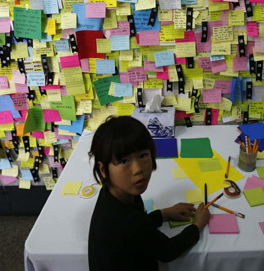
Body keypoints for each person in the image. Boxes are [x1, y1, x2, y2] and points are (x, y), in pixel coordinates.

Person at [88, 116, 210, 271]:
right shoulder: (127, 221)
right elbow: (168, 250)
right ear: (103, 170)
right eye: (124, 161)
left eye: (143, 155)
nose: (138, 168)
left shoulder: (113, 194)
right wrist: (198, 224)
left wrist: (164, 214)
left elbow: (140, 228)